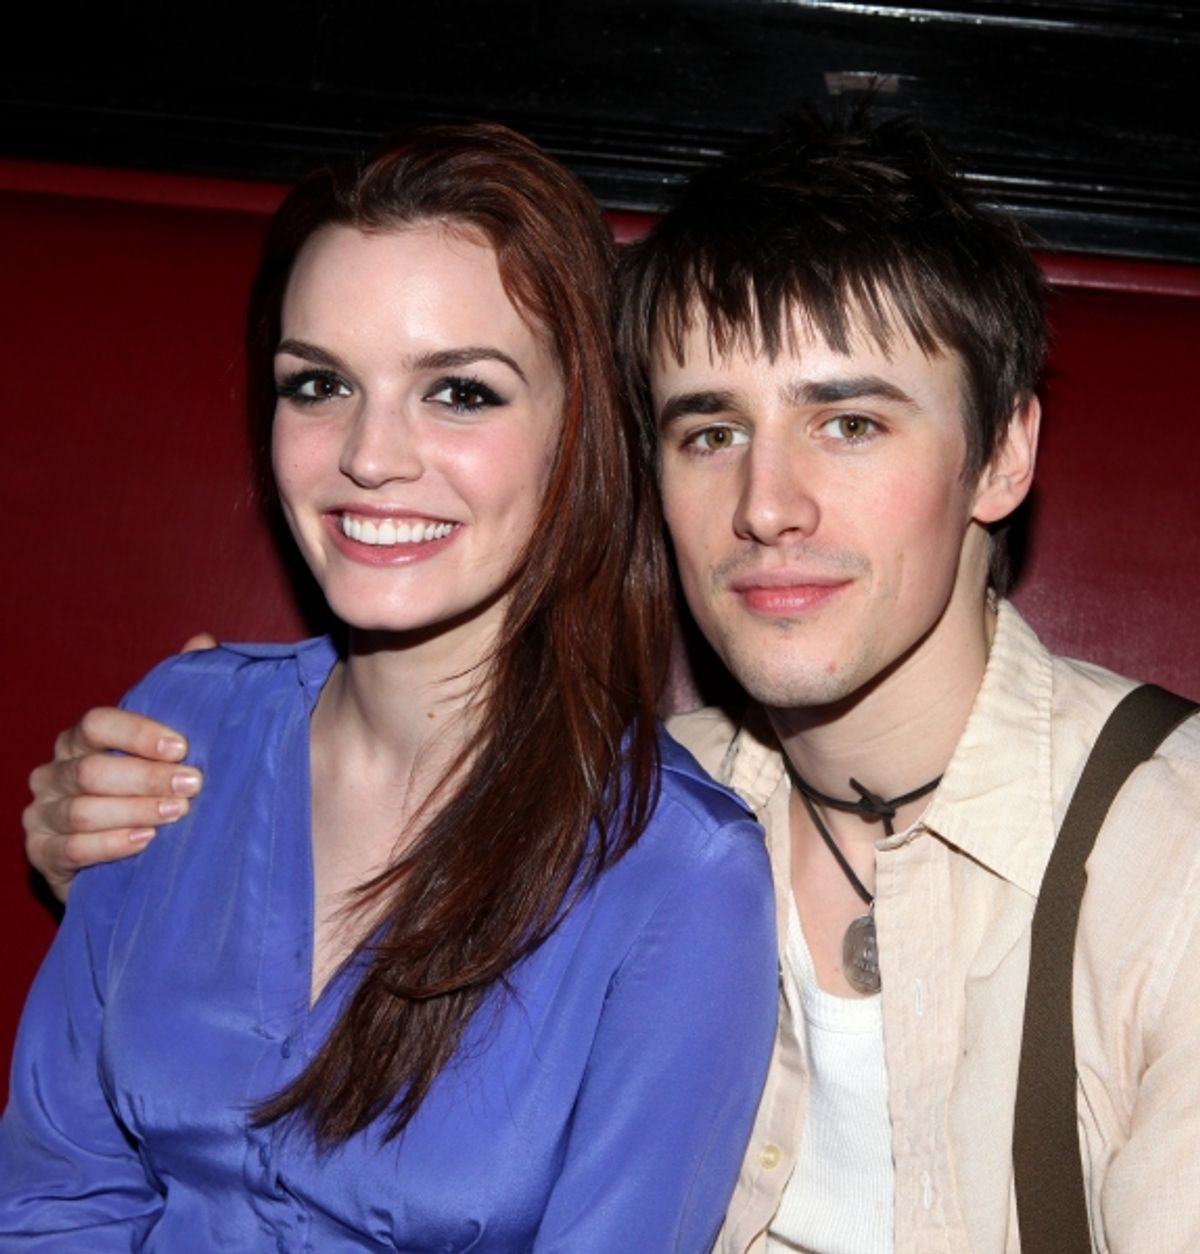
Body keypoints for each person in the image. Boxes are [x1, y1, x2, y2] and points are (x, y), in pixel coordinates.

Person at [22, 111, 1200, 1253]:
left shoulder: (1168, 864)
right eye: (708, 431)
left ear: (1003, 454)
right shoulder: (643, 796)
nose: (766, 504)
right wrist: (127, 847)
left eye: (848, 423)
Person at [1, 122, 778, 1251]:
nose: (369, 454)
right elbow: (52, 1197)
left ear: (584, 433)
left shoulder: (677, 873)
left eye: (460, 393)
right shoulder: (180, 729)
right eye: (317, 383)